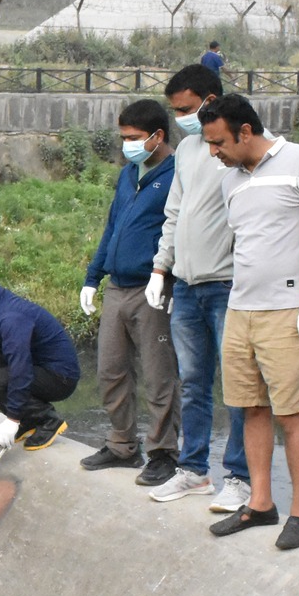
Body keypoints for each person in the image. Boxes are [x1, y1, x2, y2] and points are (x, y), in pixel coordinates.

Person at [196, 95, 299, 551]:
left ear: (246, 132)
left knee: (289, 412)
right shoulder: (230, 181)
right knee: (249, 407)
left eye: (219, 143)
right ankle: (260, 503)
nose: (214, 152)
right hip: (240, 308)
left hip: (286, 310)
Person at [147, 65, 250, 511]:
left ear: (211, 99)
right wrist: (161, 267)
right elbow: (175, 213)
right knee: (193, 382)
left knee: (240, 386)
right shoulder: (188, 151)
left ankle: (241, 477)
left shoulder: (241, 149)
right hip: (187, 286)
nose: (182, 119)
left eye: (188, 109)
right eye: (176, 112)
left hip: (228, 285)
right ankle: (192, 471)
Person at [79, 100, 181, 485]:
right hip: (117, 287)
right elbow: (112, 227)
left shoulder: (175, 175)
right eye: (124, 138)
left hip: (153, 289)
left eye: (135, 138)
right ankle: (123, 444)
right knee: (110, 370)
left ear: (157, 136)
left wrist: (163, 273)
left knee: (159, 375)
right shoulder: (128, 174)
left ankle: (163, 453)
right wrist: (93, 276)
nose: (128, 145)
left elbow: (174, 230)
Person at [0, 258, 80, 451]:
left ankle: (48, 420)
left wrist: (12, 419)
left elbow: (20, 367)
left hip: (60, 375)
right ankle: (29, 421)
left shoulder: (10, 317)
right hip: (33, 365)